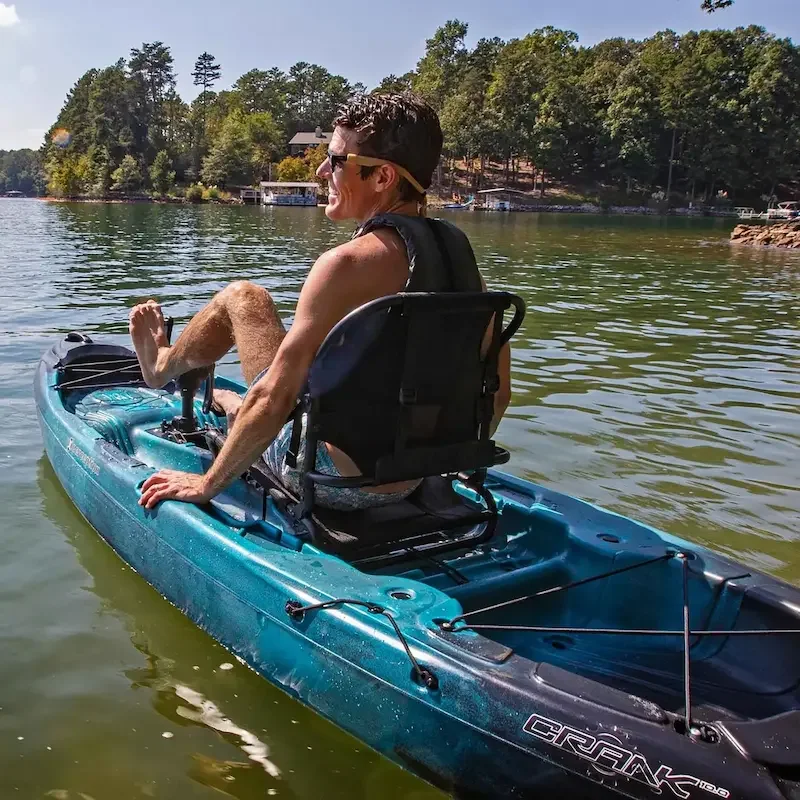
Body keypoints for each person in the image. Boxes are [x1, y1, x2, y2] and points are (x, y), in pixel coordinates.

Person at [131, 92, 512, 511]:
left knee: (245, 297)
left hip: (333, 482)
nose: (320, 171)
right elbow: (498, 395)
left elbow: (274, 399)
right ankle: (226, 401)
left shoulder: (344, 265)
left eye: (336, 161)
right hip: (414, 474)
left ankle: (160, 367)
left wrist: (205, 484)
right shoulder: (466, 267)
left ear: (383, 177)